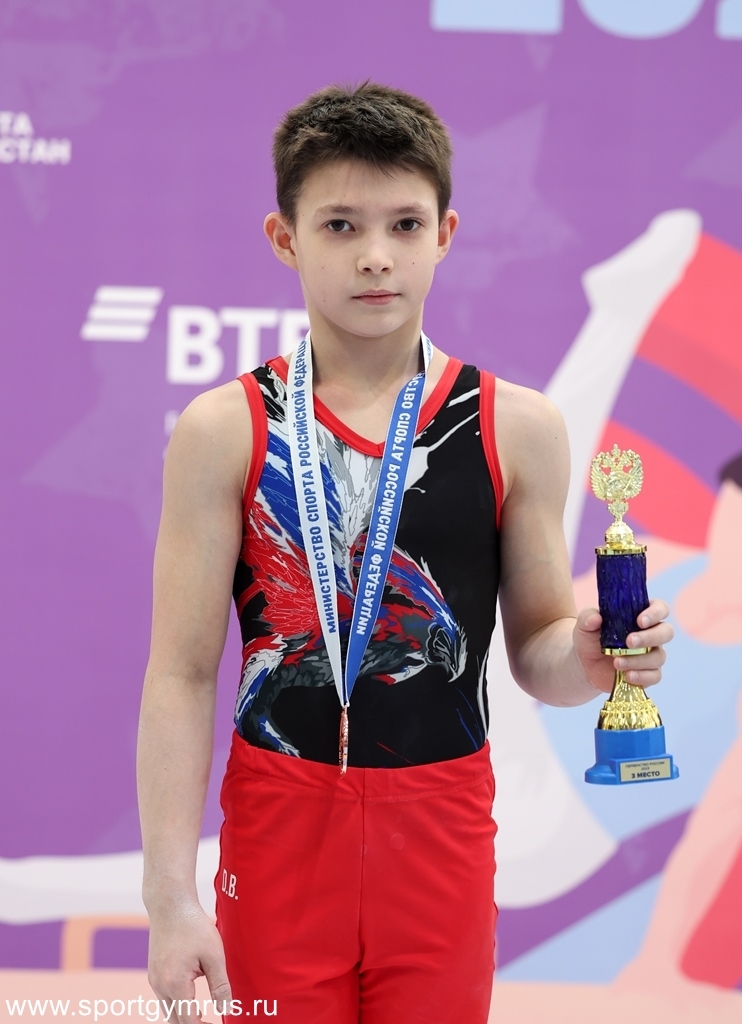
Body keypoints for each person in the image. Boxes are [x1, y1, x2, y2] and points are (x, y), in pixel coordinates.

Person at [136, 82, 672, 1024]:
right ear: (285, 238)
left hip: (441, 831)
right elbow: (180, 673)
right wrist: (171, 898)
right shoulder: (227, 430)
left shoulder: (516, 426)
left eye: (405, 225)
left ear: (446, 234)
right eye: (340, 225)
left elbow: (538, 647)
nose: (376, 256)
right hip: (279, 826)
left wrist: (590, 659)